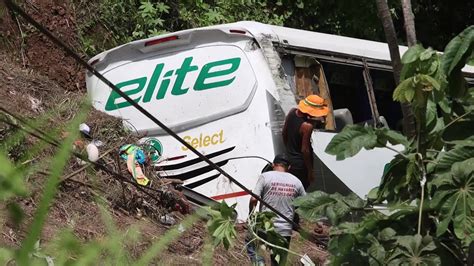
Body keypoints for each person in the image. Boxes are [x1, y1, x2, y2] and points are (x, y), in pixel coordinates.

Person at [246, 154, 306, 266]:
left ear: (273, 164)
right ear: (289, 167)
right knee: (278, 262)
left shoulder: (265, 176)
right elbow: (306, 203)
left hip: (266, 227)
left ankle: (259, 264)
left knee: (251, 243)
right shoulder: (297, 182)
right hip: (285, 231)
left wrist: (250, 215)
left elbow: (254, 199)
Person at [282, 94, 329, 189]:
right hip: (300, 166)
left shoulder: (292, 112)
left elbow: (284, 133)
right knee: (301, 190)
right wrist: (310, 171)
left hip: (289, 160)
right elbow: (305, 150)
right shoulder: (307, 126)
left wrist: (289, 150)